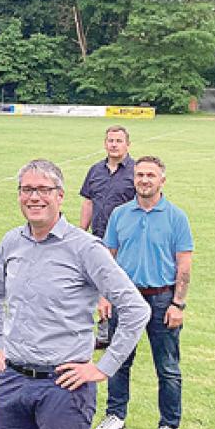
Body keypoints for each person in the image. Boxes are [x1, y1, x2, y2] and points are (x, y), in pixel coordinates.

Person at [0, 159, 149, 429]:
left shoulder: (85, 248)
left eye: (43, 190)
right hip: (12, 381)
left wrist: (103, 368)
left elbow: (135, 308)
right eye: (27, 189)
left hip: (63, 386)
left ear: (60, 196)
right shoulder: (11, 243)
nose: (34, 198)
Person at [92, 156, 193, 429]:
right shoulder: (120, 214)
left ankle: (168, 426)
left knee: (168, 367)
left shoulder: (176, 217)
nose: (144, 180)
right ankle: (115, 415)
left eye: (151, 175)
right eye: (140, 175)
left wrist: (178, 304)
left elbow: (184, 266)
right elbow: (106, 257)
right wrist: (103, 295)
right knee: (118, 359)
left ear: (162, 180)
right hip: (125, 298)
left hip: (162, 298)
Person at [79, 125, 136, 348]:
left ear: (127, 145)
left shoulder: (135, 172)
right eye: (110, 140)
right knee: (100, 284)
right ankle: (104, 333)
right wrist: (82, 231)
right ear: (105, 143)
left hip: (126, 240)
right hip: (99, 238)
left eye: (118, 140)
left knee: (122, 284)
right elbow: (88, 201)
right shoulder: (95, 171)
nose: (113, 144)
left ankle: (126, 328)